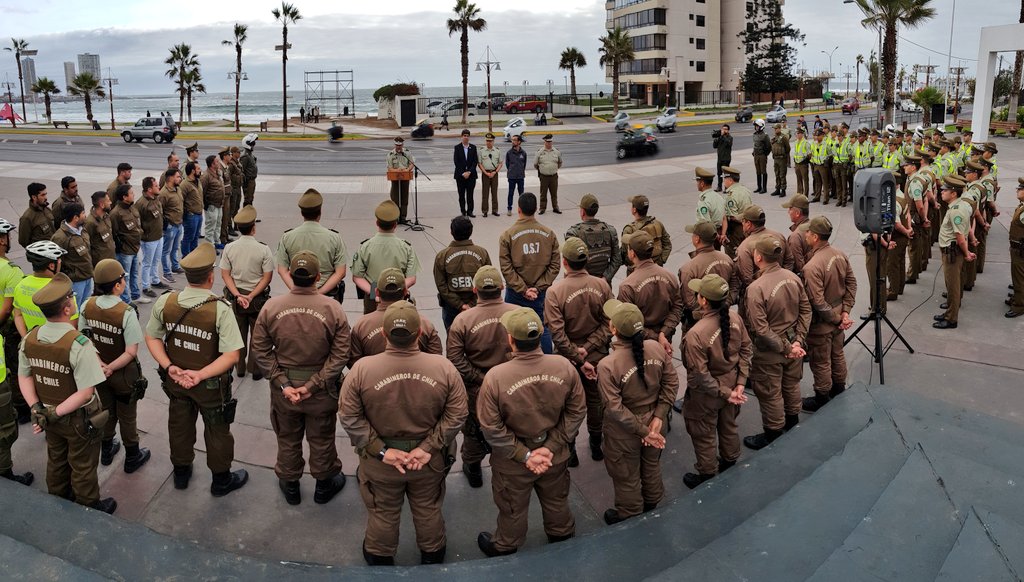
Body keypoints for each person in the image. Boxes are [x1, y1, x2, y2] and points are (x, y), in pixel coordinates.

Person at [339, 300, 468, 566]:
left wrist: (381, 451)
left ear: (384, 334)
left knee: (383, 510)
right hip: (427, 461)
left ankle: (379, 555)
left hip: (381, 463)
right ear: (419, 334)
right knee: (428, 508)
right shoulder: (444, 369)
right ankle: (433, 553)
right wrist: (428, 448)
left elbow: (350, 417)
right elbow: (457, 414)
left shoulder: (361, 370)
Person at [476, 307, 586, 557]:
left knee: (512, 506)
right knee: (556, 499)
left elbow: (491, 427)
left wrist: (526, 455)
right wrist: (549, 447)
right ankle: (562, 534)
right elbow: (576, 411)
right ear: (539, 337)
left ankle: (506, 544)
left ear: (511, 340)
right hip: (554, 455)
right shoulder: (564, 367)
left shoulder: (496, 377)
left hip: (513, 462)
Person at [144, 242, 249, 496]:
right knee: (217, 431)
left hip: (176, 382)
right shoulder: (220, 309)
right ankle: (221, 480)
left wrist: (169, 367)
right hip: (210, 386)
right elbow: (233, 354)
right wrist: (201, 374)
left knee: (179, 425)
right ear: (211, 277)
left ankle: (181, 472)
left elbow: (152, 337)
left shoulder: (166, 302)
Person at [251, 251, 349, 506]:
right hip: (321, 390)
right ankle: (324, 485)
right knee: (322, 437)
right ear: (318, 277)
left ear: (291, 277)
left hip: (285, 392)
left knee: (287, 437)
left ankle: (291, 484)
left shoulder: (271, 307)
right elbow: (340, 356)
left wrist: (283, 383)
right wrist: (313, 385)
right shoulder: (333, 309)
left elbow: (259, 350)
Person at [17, 273, 117, 513]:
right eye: (71, 297)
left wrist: (37, 409)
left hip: (47, 415)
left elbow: (24, 376)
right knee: (83, 464)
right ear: (67, 308)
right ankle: (88, 505)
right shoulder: (78, 344)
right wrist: (54, 412)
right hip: (77, 419)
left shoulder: (30, 338)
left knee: (56, 458)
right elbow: (85, 393)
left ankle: (58, 500)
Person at [596, 299, 676, 524]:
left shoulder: (607, 365)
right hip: (655, 422)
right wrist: (659, 416)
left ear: (614, 330)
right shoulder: (656, 348)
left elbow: (615, 408)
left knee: (626, 475)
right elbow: (671, 383)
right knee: (651, 464)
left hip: (626, 431)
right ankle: (652, 501)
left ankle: (630, 513)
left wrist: (642, 431)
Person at [446, 265, 518, 488]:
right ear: (502, 287)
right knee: (511, 426)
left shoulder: (463, 320)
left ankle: (474, 469)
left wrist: (480, 378)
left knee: (474, 432)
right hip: (512, 386)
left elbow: (455, 358)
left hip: (476, 389)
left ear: (475, 290)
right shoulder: (518, 313)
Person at [544, 237, 613, 465]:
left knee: (566, 404)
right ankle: (595, 444)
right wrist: (589, 348)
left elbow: (557, 333)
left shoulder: (555, 292)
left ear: (564, 262)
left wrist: (576, 354)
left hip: (568, 360)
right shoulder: (602, 285)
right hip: (597, 356)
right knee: (595, 401)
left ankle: (570, 449)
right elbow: (609, 323)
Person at [80, 259, 152, 473]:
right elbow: (131, 351)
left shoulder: (87, 305)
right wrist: (111, 367)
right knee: (127, 415)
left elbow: (85, 339)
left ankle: (107, 449)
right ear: (117, 285)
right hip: (123, 374)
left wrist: (101, 364)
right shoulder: (126, 312)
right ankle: (132, 455)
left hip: (97, 370)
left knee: (106, 410)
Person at [681, 274, 751, 489]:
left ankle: (707, 473)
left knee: (704, 435)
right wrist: (739, 383)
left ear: (703, 300)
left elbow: (701, 375)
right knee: (728, 425)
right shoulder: (734, 318)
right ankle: (730, 460)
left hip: (706, 396)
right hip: (731, 385)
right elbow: (747, 349)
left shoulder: (696, 334)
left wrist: (725, 392)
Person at [743, 237, 811, 448]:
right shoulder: (793, 277)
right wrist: (798, 341)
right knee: (791, 384)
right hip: (794, 345)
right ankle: (792, 421)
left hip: (770, 352)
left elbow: (761, 330)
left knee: (770, 392)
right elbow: (806, 310)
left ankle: (773, 433)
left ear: (759, 257)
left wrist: (787, 348)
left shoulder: (756, 288)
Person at [801, 217, 857, 412]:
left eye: (808, 232)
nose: (806, 234)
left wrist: (836, 319)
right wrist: (845, 313)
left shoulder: (812, 266)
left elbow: (817, 302)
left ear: (815, 236)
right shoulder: (840, 254)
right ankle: (839, 388)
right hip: (839, 316)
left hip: (822, 323)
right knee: (837, 353)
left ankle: (822, 396)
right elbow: (852, 284)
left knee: (821, 361)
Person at [498, 192, 560, 354]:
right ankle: (546, 359)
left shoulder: (508, 236)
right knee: (541, 327)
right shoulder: (549, 234)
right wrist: (538, 288)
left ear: (518, 209)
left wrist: (523, 289)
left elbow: (506, 268)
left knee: (512, 328)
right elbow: (555, 265)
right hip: (540, 293)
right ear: (536, 209)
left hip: (516, 293)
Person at [348, 267, 442, 367]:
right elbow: (436, 360)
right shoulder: (425, 324)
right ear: (406, 291)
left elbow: (353, 363)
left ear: (377, 292)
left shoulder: (361, 326)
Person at [220, 205, 274, 380]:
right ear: (253, 228)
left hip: (236, 297)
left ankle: (240, 367)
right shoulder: (263, 249)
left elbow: (225, 275)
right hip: (256, 297)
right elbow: (267, 277)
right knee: (257, 335)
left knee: (237, 334)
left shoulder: (229, 248)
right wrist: (250, 296)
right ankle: (255, 369)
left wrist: (237, 294)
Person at [0, 218, 33, 484]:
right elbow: (7, 310)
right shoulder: (10, 271)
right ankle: (6, 472)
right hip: (3, 346)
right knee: (5, 425)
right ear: (2, 240)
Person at [275, 189, 349, 307]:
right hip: (327, 297)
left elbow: (282, 270)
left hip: (298, 297)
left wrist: (298, 290)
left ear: (302, 213)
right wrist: (319, 293)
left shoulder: (287, 237)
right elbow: (340, 272)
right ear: (320, 212)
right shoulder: (334, 238)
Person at [617, 231, 683, 356]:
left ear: (632, 254)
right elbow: (678, 307)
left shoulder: (627, 286)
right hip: (665, 341)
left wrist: (655, 337)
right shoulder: (670, 277)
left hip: (640, 345)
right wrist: (663, 333)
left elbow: (629, 323)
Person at [351, 200, 421, 315]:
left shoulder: (365, 246)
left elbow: (357, 277)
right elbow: (411, 278)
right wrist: (397, 290)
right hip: (398, 296)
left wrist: (375, 294)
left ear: (377, 223)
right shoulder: (406, 248)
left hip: (373, 295)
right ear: (395, 224)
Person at [433, 215, 491, 331]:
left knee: (453, 341)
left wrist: (460, 305)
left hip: (451, 307)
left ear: (451, 232)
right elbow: (488, 280)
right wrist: (472, 304)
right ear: (471, 231)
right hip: (477, 306)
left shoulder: (442, 256)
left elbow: (441, 286)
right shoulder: (482, 253)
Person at [933, 176, 975, 330]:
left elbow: (960, 238)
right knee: (951, 285)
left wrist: (966, 253)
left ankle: (951, 319)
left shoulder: (956, 211)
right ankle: (949, 312)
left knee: (953, 286)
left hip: (952, 253)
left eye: (945, 190)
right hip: (951, 252)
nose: (941, 192)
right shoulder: (958, 206)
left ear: (954, 193)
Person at [12, 241, 80, 337]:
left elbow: (18, 315)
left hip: (33, 342)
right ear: (51, 266)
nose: (60, 263)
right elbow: (73, 323)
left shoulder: (20, 285)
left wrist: (26, 338)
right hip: (57, 343)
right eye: (59, 260)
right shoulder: (62, 290)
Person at [565, 194, 622, 284]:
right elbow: (617, 259)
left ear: (582, 212)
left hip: (583, 285)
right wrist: (605, 278)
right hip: (604, 285)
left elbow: (571, 263)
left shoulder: (574, 233)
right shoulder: (611, 230)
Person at [50, 202, 93, 310]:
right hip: (75, 282)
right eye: (83, 213)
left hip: (88, 276)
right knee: (75, 309)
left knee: (85, 308)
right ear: (76, 217)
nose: (86, 215)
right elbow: (56, 261)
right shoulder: (60, 237)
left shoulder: (82, 230)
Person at [109, 184, 144, 306]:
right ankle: (126, 301)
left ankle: (136, 295)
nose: (133, 195)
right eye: (131, 193)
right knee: (125, 277)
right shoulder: (116, 213)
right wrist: (121, 246)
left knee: (135, 274)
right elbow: (114, 233)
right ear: (124, 197)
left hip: (135, 248)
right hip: (125, 251)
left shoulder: (132, 208)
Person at [620, 195, 671, 273]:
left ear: (634, 210)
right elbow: (667, 245)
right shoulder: (658, 224)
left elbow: (625, 254)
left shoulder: (629, 229)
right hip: (656, 269)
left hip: (636, 271)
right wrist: (660, 261)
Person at [135, 177, 166, 300]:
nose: (158, 187)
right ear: (149, 189)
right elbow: (137, 222)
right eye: (156, 185)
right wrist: (144, 234)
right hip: (149, 239)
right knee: (147, 263)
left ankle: (155, 280)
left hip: (158, 236)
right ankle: (146, 286)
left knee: (156, 261)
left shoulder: (156, 199)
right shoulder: (141, 203)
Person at [904, 154, 931, 285]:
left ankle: (911, 275)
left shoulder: (915, 182)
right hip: (916, 216)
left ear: (913, 167)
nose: (904, 167)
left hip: (913, 217)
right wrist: (924, 217)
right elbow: (925, 199)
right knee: (916, 245)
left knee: (913, 248)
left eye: (907, 165)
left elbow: (919, 204)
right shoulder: (919, 178)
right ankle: (916, 269)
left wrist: (923, 218)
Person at [721, 167, 753, 259]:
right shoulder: (745, 190)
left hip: (735, 231)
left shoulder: (731, 195)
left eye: (724, 179)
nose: (724, 181)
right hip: (747, 227)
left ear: (730, 180)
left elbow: (732, 217)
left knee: (733, 256)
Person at [159, 168, 185, 282]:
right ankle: (166, 272)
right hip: (170, 226)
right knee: (166, 250)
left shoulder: (177, 189)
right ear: (170, 178)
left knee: (175, 248)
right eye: (178, 177)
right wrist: (167, 224)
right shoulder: (163, 193)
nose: (180, 179)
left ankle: (175, 266)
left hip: (179, 224)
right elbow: (160, 211)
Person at [386, 137, 416, 225]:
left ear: (403, 145)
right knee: (395, 197)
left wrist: (407, 170)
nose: (398, 147)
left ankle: (403, 217)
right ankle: (395, 217)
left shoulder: (407, 152)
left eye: (400, 145)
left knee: (404, 197)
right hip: (395, 177)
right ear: (394, 145)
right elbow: (389, 168)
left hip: (405, 176)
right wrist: (397, 171)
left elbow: (411, 163)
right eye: (397, 145)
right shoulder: (390, 154)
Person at [1005, 178, 1024, 318]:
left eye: (1020, 189)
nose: (1017, 190)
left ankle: (1019, 306)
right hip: (1017, 248)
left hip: (1021, 250)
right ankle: (1017, 299)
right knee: (1017, 277)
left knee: (1019, 278)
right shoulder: (1021, 206)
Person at [200, 154, 226, 251]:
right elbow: (201, 190)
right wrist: (205, 203)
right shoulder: (206, 176)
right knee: (210, 225)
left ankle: (216, 241)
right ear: (212, 164)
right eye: (217, 162)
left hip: (219, 204)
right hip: (211, 204)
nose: (219, 163)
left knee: (218, 223)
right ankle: (209, 245)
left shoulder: (218, 173)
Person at [781, 194, 812, 276]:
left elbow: (799, 266)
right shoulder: (814, 225)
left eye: (790, 209)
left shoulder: (795, 237)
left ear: (797, 213)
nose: (788, 212)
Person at [84, 191, 116, 267]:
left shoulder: (106, 216)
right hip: (100, 264)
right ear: (102, 205)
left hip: (111, 259)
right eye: (108, 200)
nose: (110, 202)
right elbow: (87, 244)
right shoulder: (90, 222)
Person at [19, 183, 55, 249]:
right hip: (41, 255)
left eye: (46, 194)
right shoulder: (27, 218)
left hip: (53, 250)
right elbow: (23, 241)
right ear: (34, 197)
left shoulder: (47, 210)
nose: (46, 198)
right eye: (43, 195)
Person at [535, 134, 563, 214]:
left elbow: (560, 162)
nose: (549, 143)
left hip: (553, 176)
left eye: (550, 142)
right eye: (548, 142)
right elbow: (535, 164)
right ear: (545, 142)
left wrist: (553, 169)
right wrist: (542, 170)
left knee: (554, 193)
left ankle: (555, 207)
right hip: (544, 177)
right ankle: (542, 208)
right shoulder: (539, 152)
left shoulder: (556, 152)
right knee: (543, 194)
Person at [181, 161, 204, 256]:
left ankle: (194, 258)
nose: (200, 170)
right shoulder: (184, 184)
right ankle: (186, 258)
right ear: (192, 171)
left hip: (199, 215)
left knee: (195, 238)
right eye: (198, 169)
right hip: (191, 216)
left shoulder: (198, 181)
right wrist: (187, 213)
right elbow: (180, 201)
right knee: (188, 238)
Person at [454, 129, 478, 217]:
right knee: (461, 195)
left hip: (471, 176)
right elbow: (456, 162)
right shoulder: (457, 148)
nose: (466, 137)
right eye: (464, 135)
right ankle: (463, 211)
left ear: (469, 137)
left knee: (470, 195)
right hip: (460, 176)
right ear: (461, 137)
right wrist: (463, 173)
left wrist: (469, 172)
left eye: (467, 136)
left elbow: (475, 162)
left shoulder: (473, 147)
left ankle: (470, 211)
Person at [478, 132, 503, 217]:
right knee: (485, 193)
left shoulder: (497, 151)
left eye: (490, 141)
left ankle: (495, 210)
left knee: (494, 193)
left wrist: (495, 172)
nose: (489, 142)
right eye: (487, 141)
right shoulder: (481, 151)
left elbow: (500, 163)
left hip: (494, 173)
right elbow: (480, 163)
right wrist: (486, 173)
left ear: (493, 141)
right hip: (485, 174)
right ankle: (485, 211)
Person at [505, 134, 528, 216]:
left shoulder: (523, 153)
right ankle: (509, 209)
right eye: (512, 140)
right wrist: (511, 171)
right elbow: (507, 164)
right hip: (511, 177)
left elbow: (524, 164)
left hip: (520, 176)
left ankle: (522, 209)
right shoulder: (509, 153)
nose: (513, 141)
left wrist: (520, 171)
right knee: (510, 193)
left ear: (519, 142)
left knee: (521, 194)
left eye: (515, 140)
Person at [217, 149, 235, 246]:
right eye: (229, 155)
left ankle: (225, 235)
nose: (230, 156)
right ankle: (222, 238)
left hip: (228, 195)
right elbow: (221, 183)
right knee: (223, 218)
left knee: (227, 217)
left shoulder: (226, 167)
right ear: (224, 156)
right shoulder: (220, 168)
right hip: (224, 197)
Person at [809, 129, 831, 204]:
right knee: (818, 182)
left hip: (823, 166)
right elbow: (812, 153)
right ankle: (817, 197)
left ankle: (826, 198)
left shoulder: (826, 144)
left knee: (825, 183)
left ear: (822, 136)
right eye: (816, 136)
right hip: (816, 165)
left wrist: (826, 159)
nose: (817, 137)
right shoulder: (815, 144)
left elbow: (830, 154)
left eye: (818, 136)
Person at [226, 146, 243, 237]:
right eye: (238, 152)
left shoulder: (237, 163)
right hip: (233, 189)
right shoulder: (231, 164)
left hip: (238, 188)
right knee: (231, 209)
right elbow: (228, 177)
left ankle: (235, 224)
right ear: (233, 153)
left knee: (236, 207)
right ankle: (229, 227)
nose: (239, 154)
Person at [770, 123, 791, 197]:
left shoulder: (784, 137)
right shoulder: (774, 138)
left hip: (782, 159)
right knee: (777, 174)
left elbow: (788, 148)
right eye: (774, 129)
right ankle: (777, 189)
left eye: (776, 129)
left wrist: (785, 156)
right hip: (776, 159)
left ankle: (783, 190)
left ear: (779, 128)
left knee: (782, 175)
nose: (775, 130)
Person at [751, 119, 770, 194]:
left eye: (757, 126)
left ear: (761, 126)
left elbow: (769, 147)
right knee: (758, 172)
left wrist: (765, 154)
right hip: (756, 156)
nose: (756, 127)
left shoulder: (765, 135)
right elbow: (755, 145)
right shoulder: (754, 135)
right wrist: (753, 152)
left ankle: (764, 188)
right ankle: (759, 187)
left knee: (763, 172)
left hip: (762, 156)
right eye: (755, 126)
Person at [240, 133, 259, 207]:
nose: (253, 145)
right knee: (248, 199)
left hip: (252, 180)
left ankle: (250, 216)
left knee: (250, 198)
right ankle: (246, 217)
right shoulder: (245, 156)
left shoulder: (250, 154)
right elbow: (242, 170)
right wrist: (245, 183)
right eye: (252, 143)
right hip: (248, 181)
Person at [713, 124, 733, 192]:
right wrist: (718, 138)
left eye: (726, 129)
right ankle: (719, 187)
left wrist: (722, 136)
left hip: (726, 159)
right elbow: (714, 146)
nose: (724, 130)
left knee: (726, 174)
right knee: (719, 173)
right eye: (723, 129)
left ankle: (727, 187)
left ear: (728, 130)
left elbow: (728, 143)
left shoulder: (730, 137)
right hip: (720, 158)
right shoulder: (720, 137)